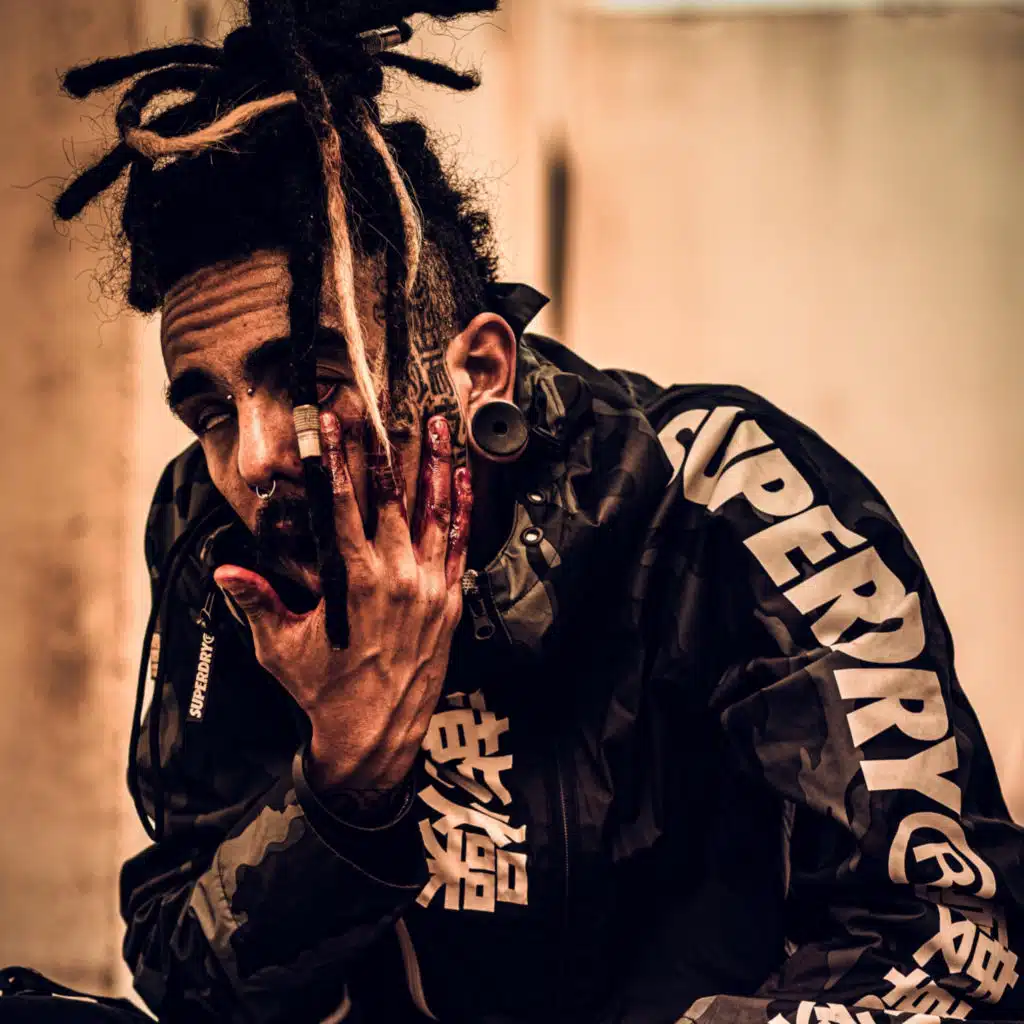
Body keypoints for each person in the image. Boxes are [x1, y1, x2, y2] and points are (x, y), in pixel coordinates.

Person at [33, 1, 1023, 1022]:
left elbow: (947, 953)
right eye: (209, 411)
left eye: (311, 378)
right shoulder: (219, 538)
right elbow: (184, 981)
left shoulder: (722, 495)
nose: (253, 456)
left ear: (477, 371)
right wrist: (342, 787)